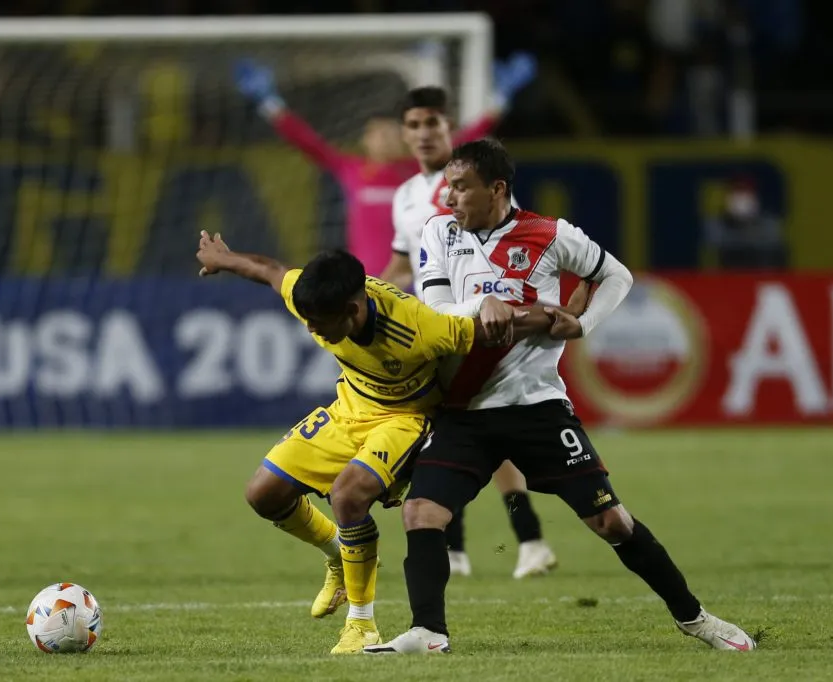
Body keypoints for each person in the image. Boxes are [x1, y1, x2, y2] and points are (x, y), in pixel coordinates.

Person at [365, 139, 756, 654]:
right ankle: (429, 632)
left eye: (460, 187)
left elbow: (617, 275)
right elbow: (435, 309)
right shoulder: (439, 230)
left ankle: (696, 618)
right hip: (464, 409)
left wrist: (582, 323)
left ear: (497, 189)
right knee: (421, 513)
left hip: (537, 407)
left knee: (610, 520)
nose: (450, 196)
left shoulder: (550, 235)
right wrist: (488, 302)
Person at [194, 231, 580, 654]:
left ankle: (362, 624)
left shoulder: (418, 326)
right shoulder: (318, 296)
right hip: (350, 407)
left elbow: (488, 331)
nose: (311, 328)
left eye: (319, 322)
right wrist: (224, 259)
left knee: (348, 496)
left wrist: (550, 318)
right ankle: (338, 553)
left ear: (353, 310)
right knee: (263, 494)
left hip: (405, 419)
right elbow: (271, 271)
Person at [381, 85, 556, 580]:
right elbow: (401, 266)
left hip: (477, 326)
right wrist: (362, 295)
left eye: (432, 123)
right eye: (413, 125)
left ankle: (517, 540)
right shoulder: (407, 195)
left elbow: (507, 241)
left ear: (449, 127)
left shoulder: (474, 183)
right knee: (451, 432)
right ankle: (491, 545)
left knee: (473, 432)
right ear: (404, 132)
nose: (422, 134)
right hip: (429, 325)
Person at [233, 54, 536, 277]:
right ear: (366, 140)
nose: (385, 137)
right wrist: (269, 103)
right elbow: (307, 141)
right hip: (367, 287)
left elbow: (466, 140)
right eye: (377, 132)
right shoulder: (350, 169)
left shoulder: (420, 171)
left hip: (416, 287)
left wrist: (499, 101)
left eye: (391, 132)